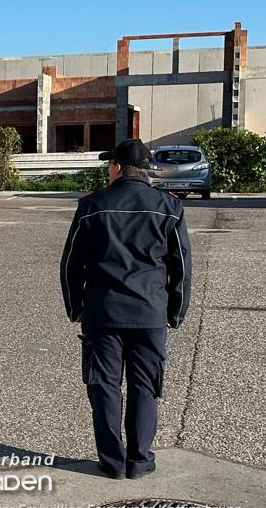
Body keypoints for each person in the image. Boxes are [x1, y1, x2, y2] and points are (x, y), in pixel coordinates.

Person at [60, 138, 192, 480]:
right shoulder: (169, 206)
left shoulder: (93, 205)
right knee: (145, 387)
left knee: (104, 385)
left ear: (117, 167)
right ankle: (139, 460)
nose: (108, 170)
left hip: (103, 312)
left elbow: (72, 262)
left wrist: (76, 306)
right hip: (150, 313)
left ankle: (113, 461)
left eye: (109, 165)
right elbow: (180, 265)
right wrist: (175, 311)